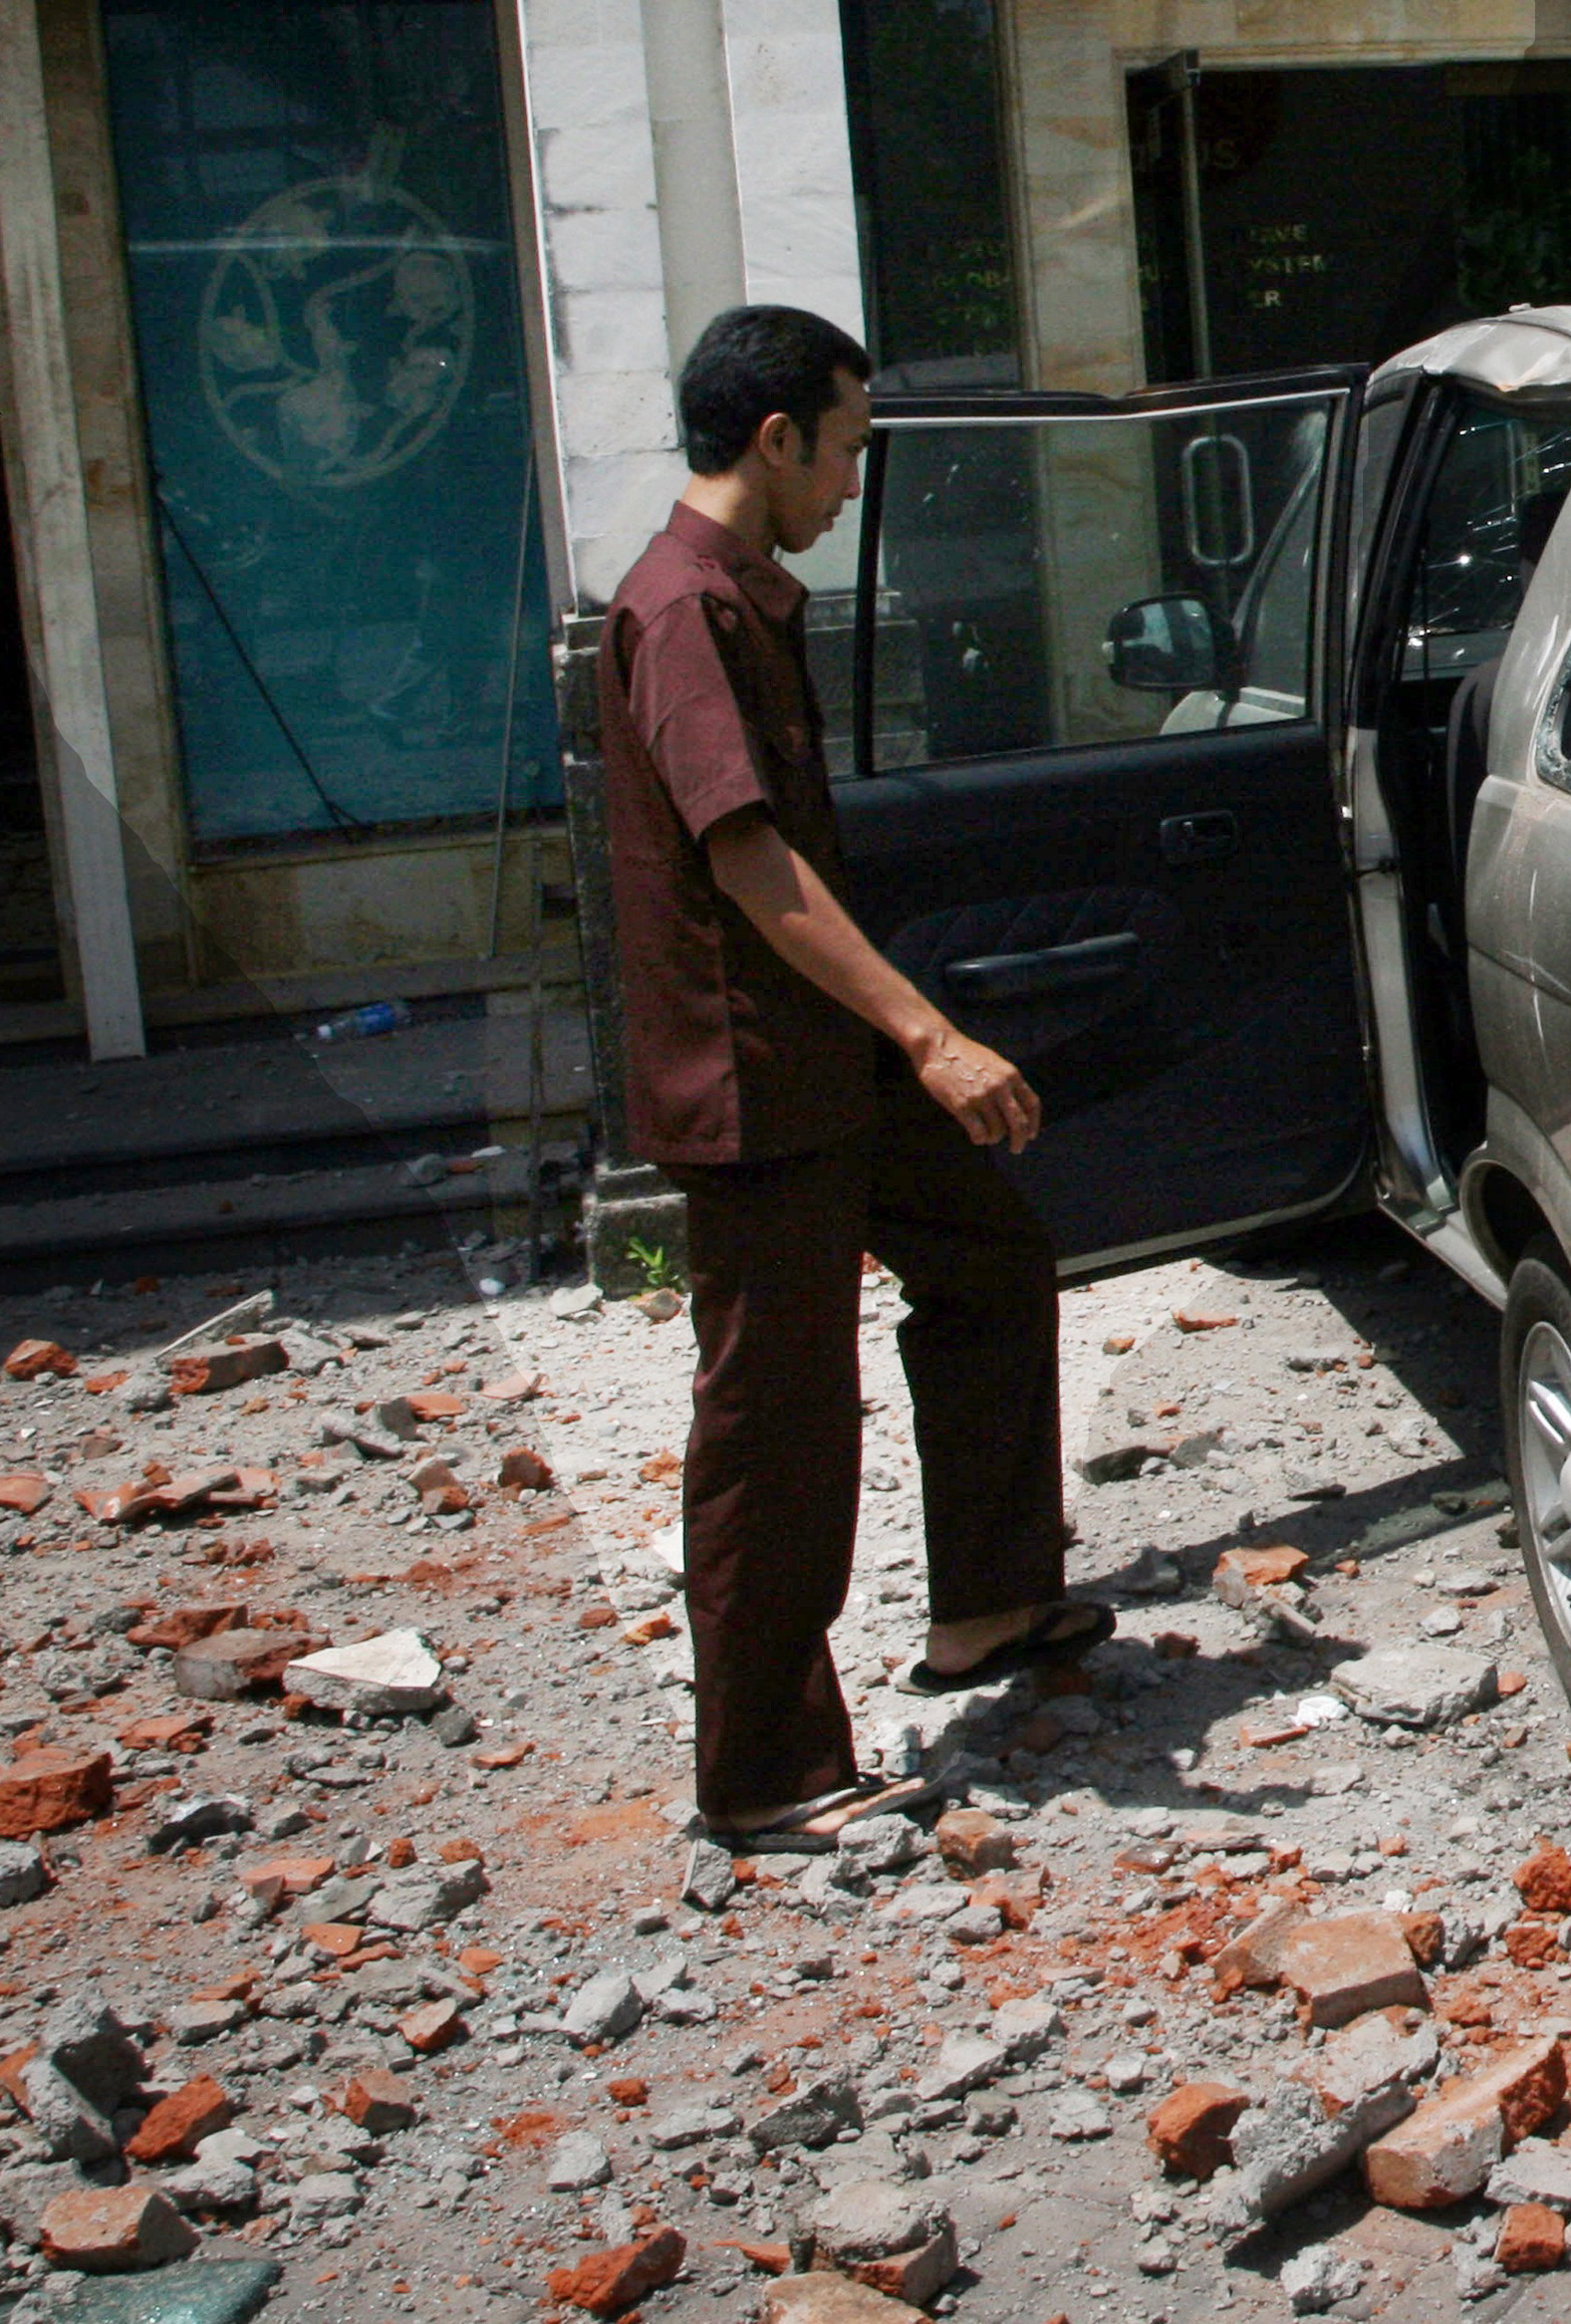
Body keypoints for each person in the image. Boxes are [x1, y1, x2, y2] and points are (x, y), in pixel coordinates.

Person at [599, 304, 1109, 1846]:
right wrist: (932, 1035)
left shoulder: (748, 594)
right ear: (777, 440)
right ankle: (764, 1772)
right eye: (846, 452)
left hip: (826, 1062)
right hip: (757, 1086)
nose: (848, 487)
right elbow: (751, 864)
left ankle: (990, 1605)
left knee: (993, 1252)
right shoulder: (683, 610)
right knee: (775, 1423)